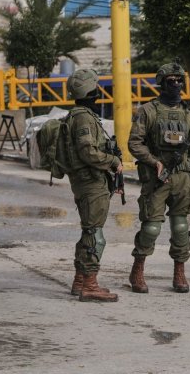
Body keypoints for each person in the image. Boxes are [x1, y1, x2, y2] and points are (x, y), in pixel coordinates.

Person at [128, 62, 190, 294]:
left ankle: (179, 272)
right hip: (157, 178)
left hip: (182, 179)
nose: (176, 84)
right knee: (151, 228)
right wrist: (154, 162)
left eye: (180, 80)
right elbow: (134, 143)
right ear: (162, 83)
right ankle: (137, 270)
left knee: (181, 227)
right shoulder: (148, 111)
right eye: (171, 81)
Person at [66, 68, 122, 302]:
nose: (98, 90)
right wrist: (112, 161)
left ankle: (80, 280)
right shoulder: (83, 118)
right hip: (90, 182)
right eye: (95, 86)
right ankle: (90, 284)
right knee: (95, 235)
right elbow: (87, 151)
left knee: (89, 231)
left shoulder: (82, 114)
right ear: (88, 89)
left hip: (89, 181)